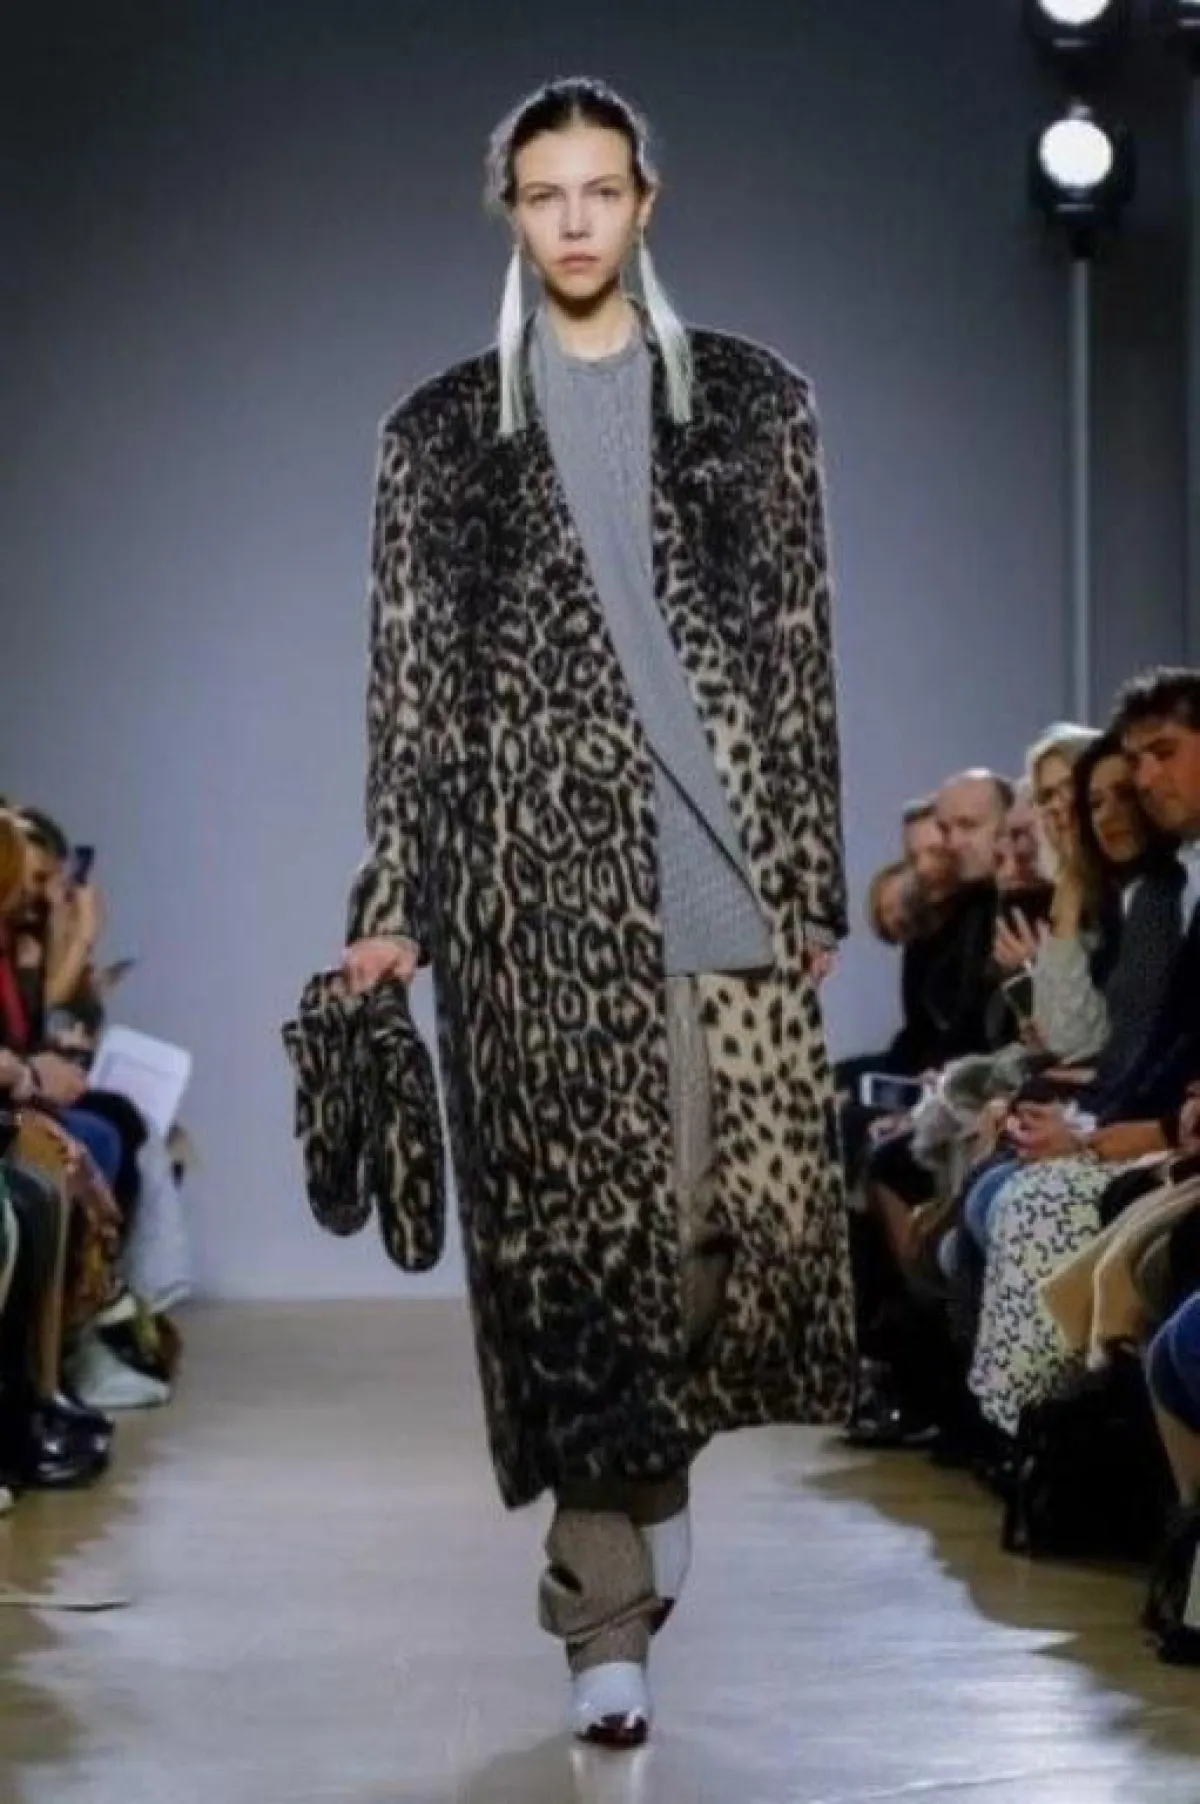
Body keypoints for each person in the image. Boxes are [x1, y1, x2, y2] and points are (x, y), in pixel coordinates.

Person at [339, 75, 853, 1746]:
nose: (574, 219)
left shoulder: (753, 404)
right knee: (575, 1270)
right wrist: (397, 897)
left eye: (602, 190)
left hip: (718, 876)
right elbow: (409, 690)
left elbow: (797, 649)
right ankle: (603, 1617)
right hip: (530, 899)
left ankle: (656, 1468)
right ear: (510, 210)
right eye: (545, 192)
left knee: (707, 1252)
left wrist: (811, 871)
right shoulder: (440, 435)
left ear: (647, 201)